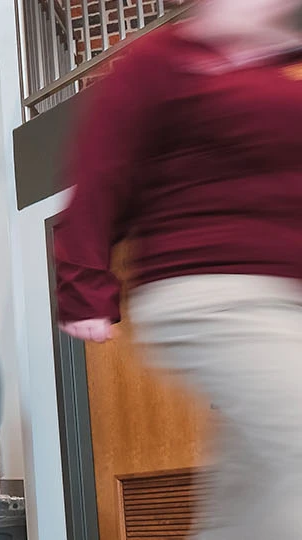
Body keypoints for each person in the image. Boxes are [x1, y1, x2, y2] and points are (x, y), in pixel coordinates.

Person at [53, 1, 302, 536]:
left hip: (287, 304)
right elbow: (100, 173)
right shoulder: (162, 60)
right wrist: (82, 288)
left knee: (254, 500)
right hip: (207, 294)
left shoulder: (279, 70)